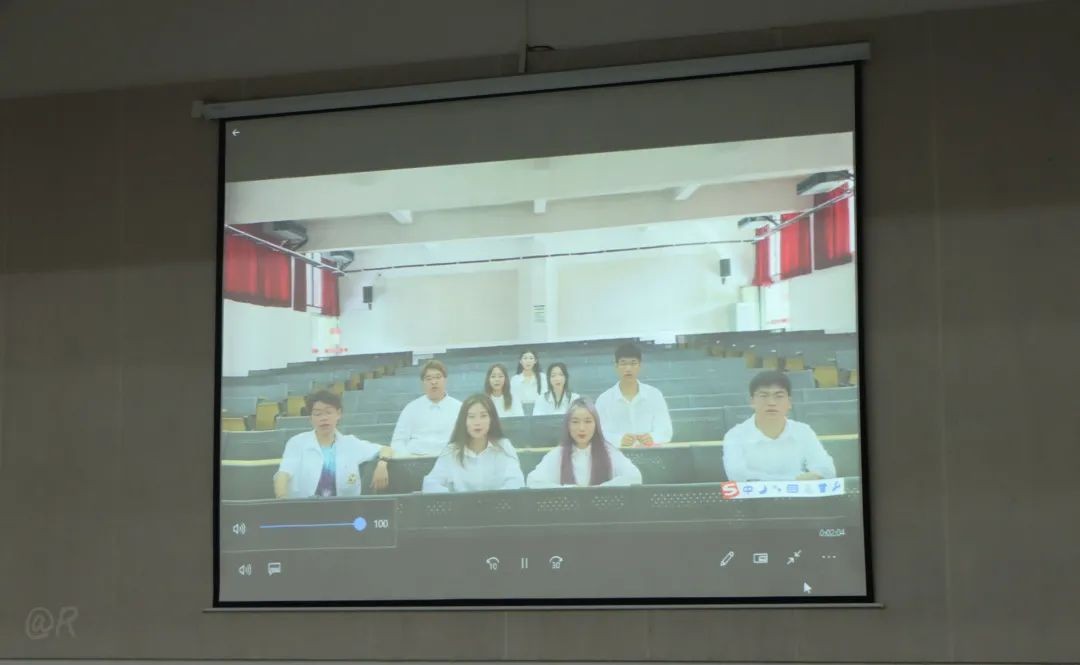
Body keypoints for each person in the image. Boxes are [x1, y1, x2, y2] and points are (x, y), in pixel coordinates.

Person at [722, 370, 837, 482]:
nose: (771, 402)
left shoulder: (803, 431)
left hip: (797, 495)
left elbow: (827, 470)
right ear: (752, 401)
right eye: (763, 396)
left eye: (779, 396)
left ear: (789, 402)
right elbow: (737, 476)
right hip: (755, 496)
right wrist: (796, 479)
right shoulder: (735, 435)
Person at [273, 390, 392, 498]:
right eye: (318, 414)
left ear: (338, 414)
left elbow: (386, 449)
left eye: (328, 412)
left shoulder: (351, 443)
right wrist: (282, 498)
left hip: (344, 509)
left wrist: (382, 464)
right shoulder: (297, 442)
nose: (324, 418)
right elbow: (283, 473)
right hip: (305, 509)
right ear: (310, 418)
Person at [527, 398, 642, 488]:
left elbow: (635, 477)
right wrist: (569, 490)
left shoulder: (609, 452)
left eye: (588, 421)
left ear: (596, 425)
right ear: (568, 425)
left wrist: (599, 490)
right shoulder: (558, 454)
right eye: (575, 422)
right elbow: (533, 481)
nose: (581, 428)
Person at [421, 394, 525, 493]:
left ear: (491, 419)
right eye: (471, 416)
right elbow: (430, 484)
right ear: (464, 421)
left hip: (497, 504)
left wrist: (493, 499)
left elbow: (517, 482)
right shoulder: (452, 451)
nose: (477, 422)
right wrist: (453, 498)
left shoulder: (503, 447)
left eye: (483, 416)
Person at [595, 342, 673, 447]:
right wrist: (618, 439)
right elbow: (598, 433)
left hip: (650, 452)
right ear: (616, 366)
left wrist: (653, 437)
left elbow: (666, 430)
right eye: (623, 364)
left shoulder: (654, 395)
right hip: (616, 453)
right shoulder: (604, 399)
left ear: (640, 366)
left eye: (633, 363)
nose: (628, 368)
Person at [390, 360, 462, 457]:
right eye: (428, 379)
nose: (434, 382)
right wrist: (408, 458)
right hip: (415, 459)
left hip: (449, 458)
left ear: (445, 380)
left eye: (438, 377)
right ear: (423, 382)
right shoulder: (411, 408)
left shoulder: (459, 407)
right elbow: (398, 441)